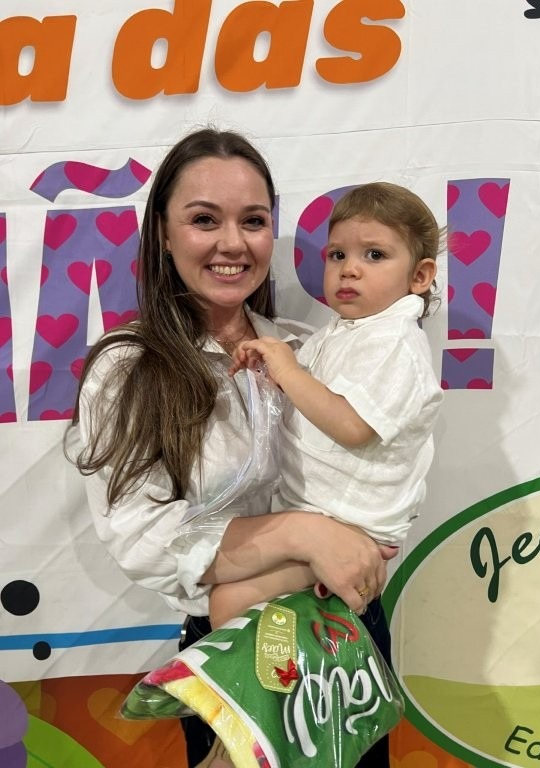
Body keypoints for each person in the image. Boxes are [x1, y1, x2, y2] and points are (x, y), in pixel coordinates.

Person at [66, 129, 397, 768]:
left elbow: (376, 463)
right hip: (233, 644)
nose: (232, 243)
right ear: (163, 235)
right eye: (203, 220)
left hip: (344, 632)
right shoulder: (128, 369)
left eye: (253, 220)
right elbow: (143, 537)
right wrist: (300, 533)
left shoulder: (311, 352)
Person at [212, 181, 444, 628]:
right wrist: (273, 371)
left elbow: (353, 426)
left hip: (350, 527)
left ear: (419, 276)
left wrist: (289, 372)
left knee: (228, 602)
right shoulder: (341, 333)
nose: (349, 270)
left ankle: (259, 675)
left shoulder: (395, 343)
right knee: (228, 589)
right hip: (311, 515)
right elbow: (314, 404)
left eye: (374, 255)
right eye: (337, 255)